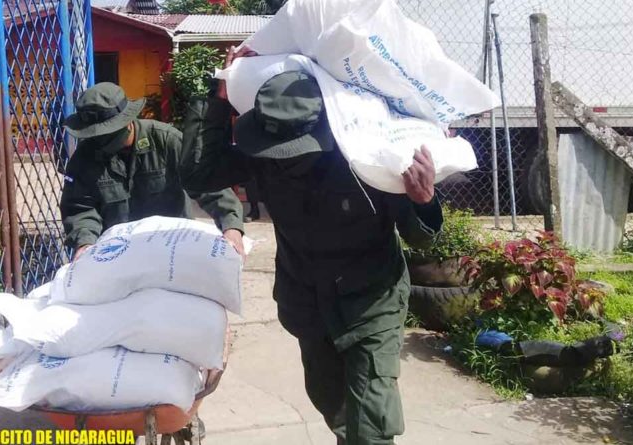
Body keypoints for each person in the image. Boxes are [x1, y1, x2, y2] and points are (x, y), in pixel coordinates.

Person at [179, 47, 444, 445]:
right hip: (307, 300)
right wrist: (218, 97)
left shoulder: (366, 159)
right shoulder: (264, 157)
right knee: (331, 402)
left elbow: (419, 236)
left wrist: (422, 201)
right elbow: (198, 173)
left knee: (371, 423)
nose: (283, 161)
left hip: (371, 303)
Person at [60, 82, 245, 260]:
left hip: (173, 249)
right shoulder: (84, 157)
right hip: (117, 255)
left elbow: (210, 186)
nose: (100, 142)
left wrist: (232, 228)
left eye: (106, 135)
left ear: (127, 122)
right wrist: (85, 243)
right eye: (94, 136)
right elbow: (80, 208)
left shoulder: (166, 141)